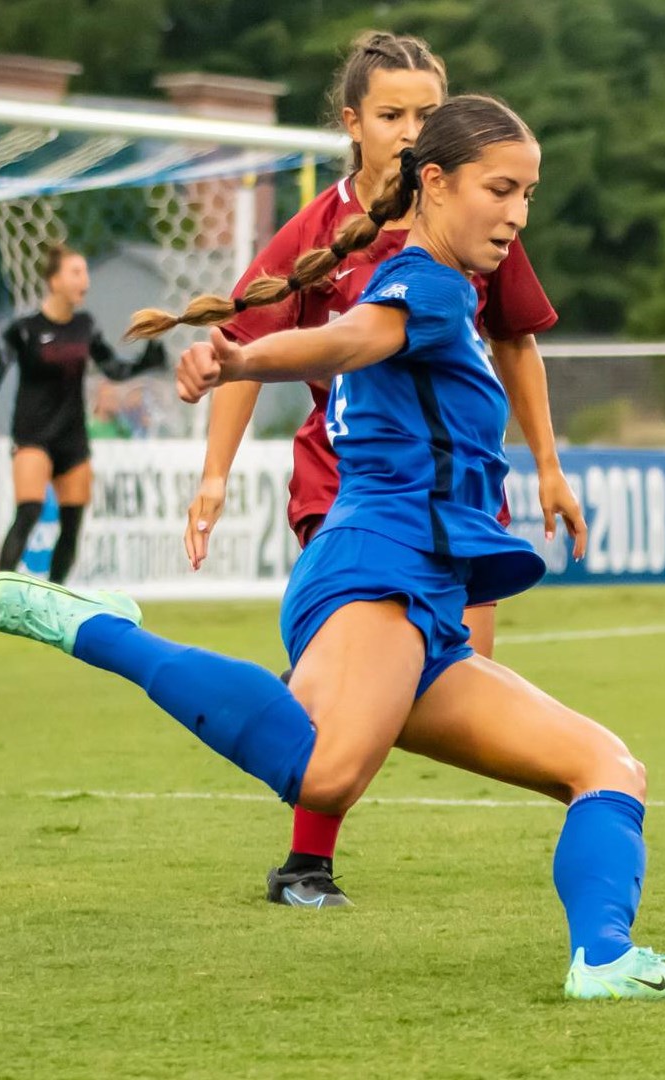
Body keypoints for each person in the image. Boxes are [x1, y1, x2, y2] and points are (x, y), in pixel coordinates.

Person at [0, 96, 665, 1000]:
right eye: (501, 189)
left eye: (529, 193)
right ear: (434, 184)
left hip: (429, 592)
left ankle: (605, 960)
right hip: (376, 564)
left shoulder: (448, 289)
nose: (518, 213)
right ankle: (102, 630)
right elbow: (349, 339)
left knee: (607, 766)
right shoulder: (427, 283)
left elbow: (388, 342)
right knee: (326, 775)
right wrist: (243, 362)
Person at [184, 30, 582, 908]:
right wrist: (215, 473)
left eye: (428, 113)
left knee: (443, 669)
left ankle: (320, 740)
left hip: (460, 488)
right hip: (350, 478)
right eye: (393, 113)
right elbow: (251, 344)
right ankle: (308, 854)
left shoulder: (481, 211)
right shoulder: (322, 231)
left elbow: (515, 341)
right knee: (375, 660)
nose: (412, 129)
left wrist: (548, 464)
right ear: (352, 122)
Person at [0, 245, 166, 584]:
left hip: (72, 439)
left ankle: (55, 599)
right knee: (28, 511)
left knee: (72, 525)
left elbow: (113, 369)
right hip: (33, 436)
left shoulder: (85, 326)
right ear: (54, 280)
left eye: (86, 272)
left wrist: (144, 362)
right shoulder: (25, 329)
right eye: (76, 272)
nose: (84, 280)